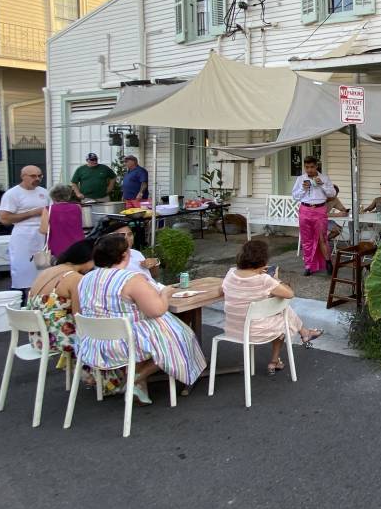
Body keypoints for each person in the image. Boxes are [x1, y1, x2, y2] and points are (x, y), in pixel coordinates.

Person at [76, 233, 206, 404]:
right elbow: (157, 310)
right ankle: (136, 378)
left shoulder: (86, 279)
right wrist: (165, 293)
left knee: (151, 332)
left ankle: (138, 383)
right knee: (182, 336)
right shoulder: (131, 279)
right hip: (126, 342)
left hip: (93, 343)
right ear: (125, 255)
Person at [222, 240, 321, 373]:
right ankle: (279, 356)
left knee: (280, 311)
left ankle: (301, 336)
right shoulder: (264, 280)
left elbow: (226, 289)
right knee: (283, 315)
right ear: (263, 261)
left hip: (233, 329)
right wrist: (275, 279)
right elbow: (290, 294)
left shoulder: (231, 274)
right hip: (256, 332)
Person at [26, 240, 96, 372]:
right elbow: (79, 317)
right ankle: (102, 378)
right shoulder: (75, 278)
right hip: (59, 339)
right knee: (108, 337)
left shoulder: (46, 272)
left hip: (37, 338)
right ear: (88, 259)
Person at [0, 165, 51, 299]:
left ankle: (41, 300)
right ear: (23, 176)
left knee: (43, 269)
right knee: (22, 270)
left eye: (40, 176)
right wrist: (32, 213)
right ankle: (19, 299)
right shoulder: (12, 194)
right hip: (23, 235)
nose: (37, 179)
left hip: (42, 235)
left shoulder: (44, 192)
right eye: (33, 176)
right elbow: (4, 219)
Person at [292, 155, 336, 276]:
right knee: (307, 239)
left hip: (320, 210)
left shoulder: (324, 178)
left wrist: (322, 184)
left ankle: (328, 262)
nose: (309, 170)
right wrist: (303, 189)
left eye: (312, 167)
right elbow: (295, 196)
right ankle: (308, 266)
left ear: (316, 166)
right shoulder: (301, 179)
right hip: (305, 210)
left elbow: (332, 194)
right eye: (307, 167)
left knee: (322, 237)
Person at [38, 184, 86, 260]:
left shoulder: (48, 209)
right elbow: (81, 224)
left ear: (52, 196)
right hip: (78, 246)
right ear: (68, 195)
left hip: (58, 247)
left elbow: (44, 230)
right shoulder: (78, 207)